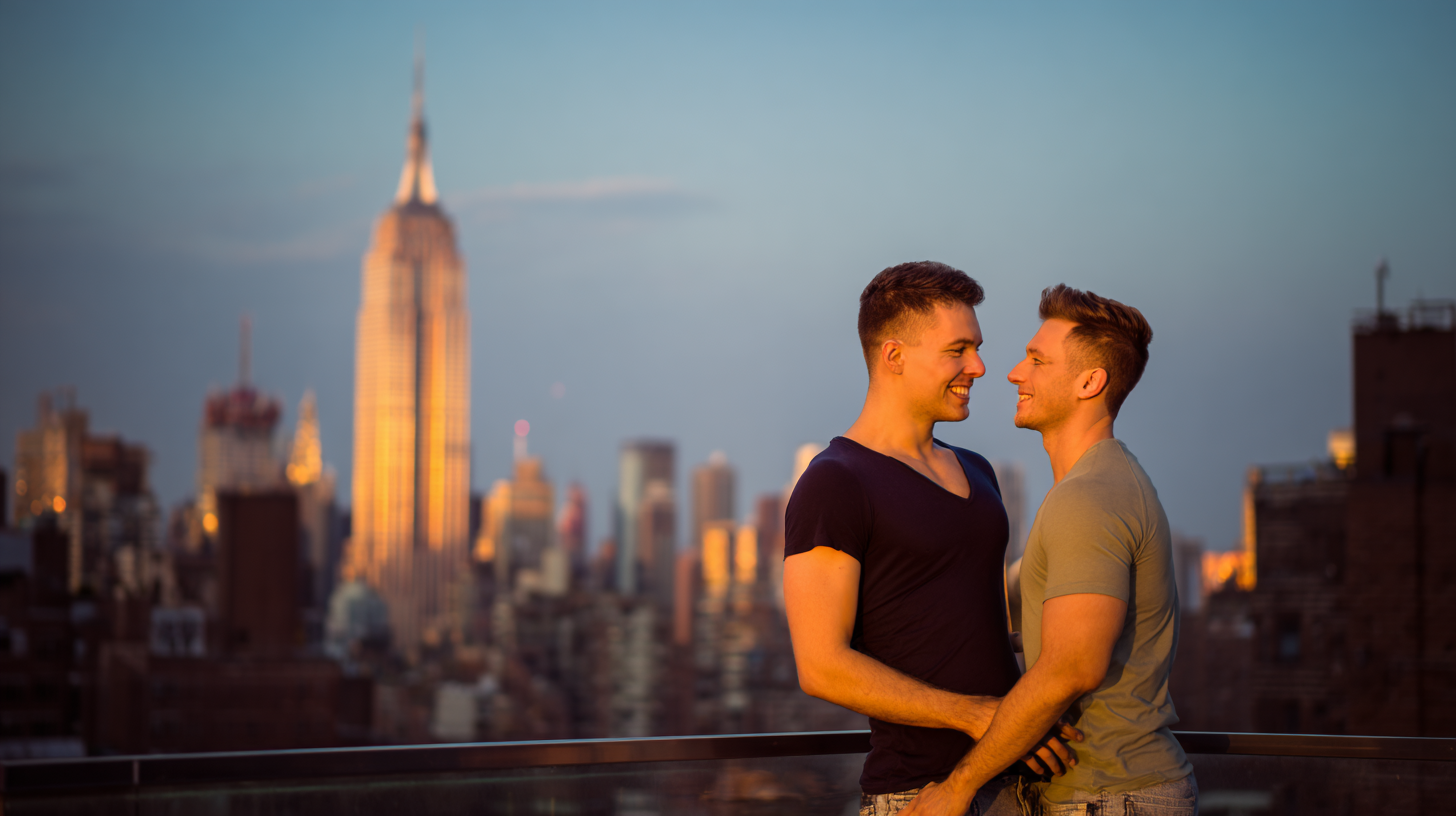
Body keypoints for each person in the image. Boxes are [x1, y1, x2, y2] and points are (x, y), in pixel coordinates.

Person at [784, 262, 1080, 816]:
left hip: (1023, 784)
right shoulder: (835, 482)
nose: (980, 367)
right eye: (958, 350)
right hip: (919, 795)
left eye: (978, 347)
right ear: (893, 356)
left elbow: (971, 626)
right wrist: (974, 714)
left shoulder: (978, 470)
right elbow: (820, 664)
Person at [903, 285, 1196, 816]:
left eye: (1037, 360)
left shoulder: (1089, 499)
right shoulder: (1100, 484)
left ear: (1090, 382)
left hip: (1112, 797)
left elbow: (1071, 667)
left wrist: (958, 787)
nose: (1014, 373)